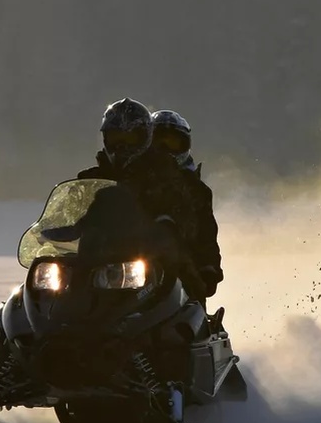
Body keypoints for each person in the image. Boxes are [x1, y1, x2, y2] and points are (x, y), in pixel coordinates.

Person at [77, 98, 211, 299]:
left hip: (154, 268)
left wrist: (205, 269)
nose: (122, 146)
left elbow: (192, 226)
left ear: (145, 139)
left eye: (130, 138)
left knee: (187, 294)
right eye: (115, 138)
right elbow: (69, 216)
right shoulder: (91, 179)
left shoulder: (166, 177)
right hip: (98, 266)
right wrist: (55, 235)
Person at [149, 109, 224, 297]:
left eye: (172, 143)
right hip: (136, 265)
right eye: (159, 143)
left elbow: (206, 235)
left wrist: (209, 269)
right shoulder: (132, 179)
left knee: (193, 307)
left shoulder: (197, 190)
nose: (165, 150)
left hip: (183, 272)